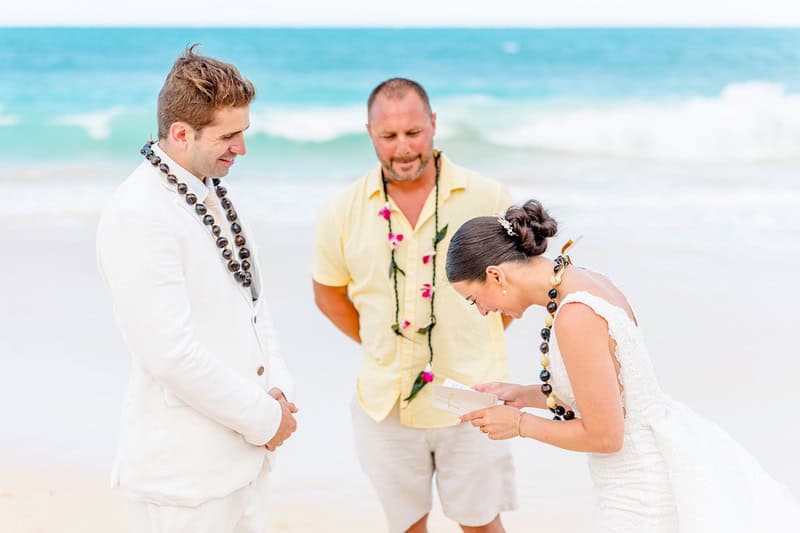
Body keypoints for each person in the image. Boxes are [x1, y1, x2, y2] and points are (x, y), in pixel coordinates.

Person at [446, 199, 800, 532]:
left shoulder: (575, 315)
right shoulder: (583, 281)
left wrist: (519, 425)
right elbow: (611, 389)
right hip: (651, 456)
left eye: (474, 299)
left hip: (639, 486)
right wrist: (523, 395)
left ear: (495, 275)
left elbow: (605, 436)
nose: (482, 311)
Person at [96, 45, 297, 533]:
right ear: (181, 133)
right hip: (183, 480)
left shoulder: (210, 191)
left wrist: (280, 395)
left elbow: (253, 302)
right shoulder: (139, 212)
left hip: (240, 462)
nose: (241, 148)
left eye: (243, 133)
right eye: (229, 136)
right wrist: (264, 420)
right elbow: (168, 353)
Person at [312, 78, 516, 533]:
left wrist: (477, 336)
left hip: (472, 398)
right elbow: (328, 293)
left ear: (434, 125)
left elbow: (516, 289)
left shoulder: (489, 198)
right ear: (369, 133)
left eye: (413, 133)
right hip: (385, 403)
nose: (403, 148)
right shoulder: (340, 210)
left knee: (482, 524)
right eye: (388, 136)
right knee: (406, 527)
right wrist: (379, 343)